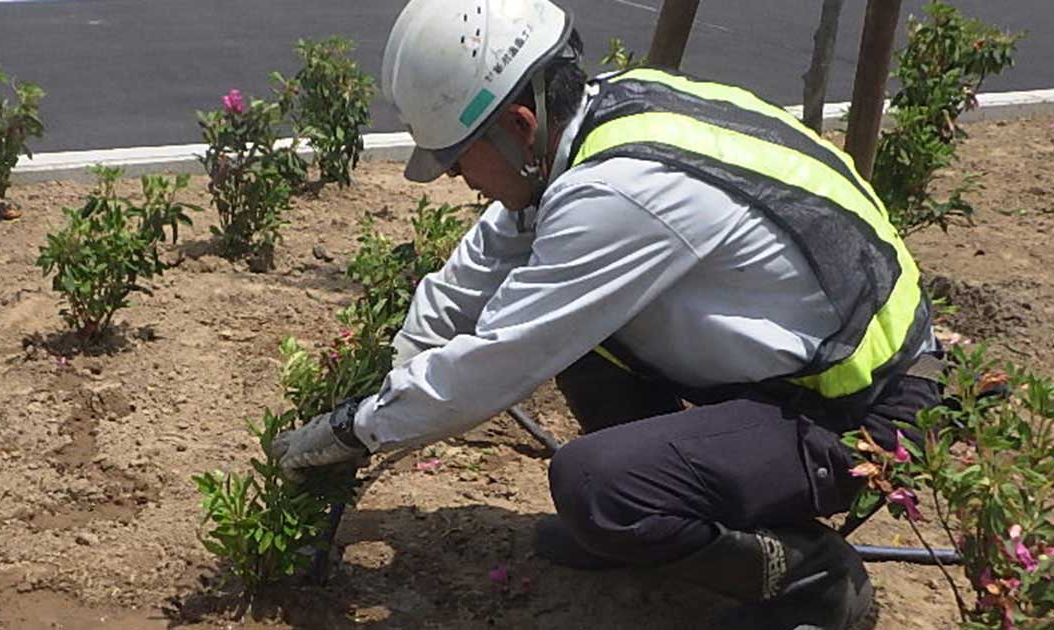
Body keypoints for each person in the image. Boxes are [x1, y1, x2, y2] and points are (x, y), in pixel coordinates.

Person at [266, 1, 947, 628]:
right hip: (804, 363)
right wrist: (399, 371)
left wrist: (354, 430)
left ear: (518, 125)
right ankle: (656, 521)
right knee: (592, 355)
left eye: (455, 158)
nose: (454, 178)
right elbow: (471, 276)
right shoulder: (594, 120)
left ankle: (811, 579)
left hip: (866, 414)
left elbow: (498, 360)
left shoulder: (620, 193)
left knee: (594, 484)